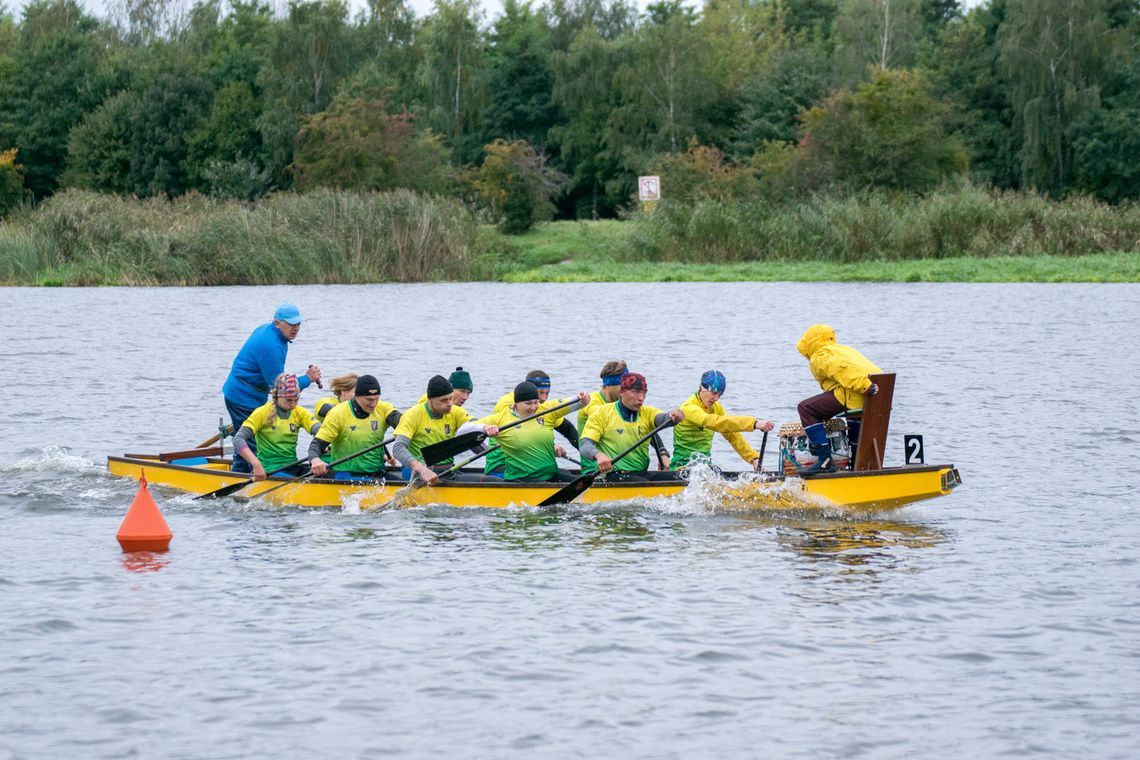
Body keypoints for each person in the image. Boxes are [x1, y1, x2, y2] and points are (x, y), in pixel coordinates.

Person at [795, 324, 883, 473]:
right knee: (853, 415)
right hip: (876, 396)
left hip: (859, 392)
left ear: (809, 344)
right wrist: (868, 387)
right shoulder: (844, 349)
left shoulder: (819, 356)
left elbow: (841, 368)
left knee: (806, 408)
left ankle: (825, 461)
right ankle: (858, 464)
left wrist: (864, 386)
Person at [222, 303, 321, 432]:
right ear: (277, 323)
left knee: (253, 441)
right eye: (291, 324)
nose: (296, 328)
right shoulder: (272, 347)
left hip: (244, 392)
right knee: (250, 446)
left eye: (298, 324)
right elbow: (281, 389)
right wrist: (308, 378)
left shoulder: (268, 330)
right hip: (243, 398)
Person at [393, 375, 500, 485]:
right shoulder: (413, 415)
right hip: (417, 473)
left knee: (496, 482)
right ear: (430, 399)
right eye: (444, 400)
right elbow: (397, 448)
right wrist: (422, 469)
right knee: (494, 483)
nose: (449, 404)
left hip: (446, 471)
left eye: (451, 398)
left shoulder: (455, 412)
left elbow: (473, 425)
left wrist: (485, 427)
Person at [580, 373, 685, 481]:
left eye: (644, 393)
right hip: (612, 475)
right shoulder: (602, 413)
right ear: (622, 392)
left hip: (640, 473)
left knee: (684, 476)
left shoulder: (648, 412)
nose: (641, 398)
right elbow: (584, 446)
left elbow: (663, 419)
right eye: (635, 392)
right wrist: (598, 455)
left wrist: (673, 415)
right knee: (644, 484)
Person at [477, 382, 589, 482]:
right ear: (516, 403)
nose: (533, 407)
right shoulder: (501, 418)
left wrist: (583, 398)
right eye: (528, 403)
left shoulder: (545, 411)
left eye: (536, 402)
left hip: (548, 474)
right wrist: (485, 427)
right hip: (521, 478)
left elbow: (576, 403)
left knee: (579, 481)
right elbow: (467, 427)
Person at [672, 370, 775, 472]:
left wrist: (754, 459)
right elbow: (714, 422)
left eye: (720, 395)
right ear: (702, 388)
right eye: (714, 393)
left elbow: (732, 435)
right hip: (681, 467)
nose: (716, 398)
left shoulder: (716, 408)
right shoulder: (688, 408)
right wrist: (754, 423)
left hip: (704, 467)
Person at [307, 375, 401, 479]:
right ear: (357, 396)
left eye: (376, 399)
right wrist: (315, 460)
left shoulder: (384, 408)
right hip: (348, 474)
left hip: (378, 472)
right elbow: (317, 444)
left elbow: (402, 422)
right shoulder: (338, 412)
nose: (373, 404)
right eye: (369, 399)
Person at [233, 374, 320, 480]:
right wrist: (256, 464)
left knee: (327, 470)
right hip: (270, 469)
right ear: (278, 396)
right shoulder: (262, 413)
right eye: (288, 400)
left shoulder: (299, 412)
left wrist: (326, 443)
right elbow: (238, 439)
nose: (293, 405)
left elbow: (320, 430)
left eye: (296, 400)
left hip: (292, 466)